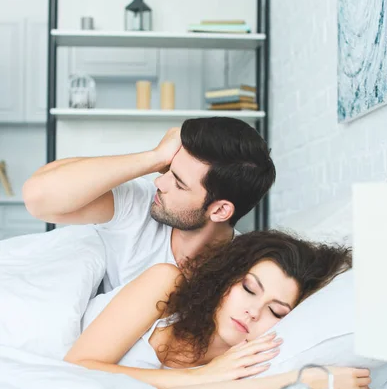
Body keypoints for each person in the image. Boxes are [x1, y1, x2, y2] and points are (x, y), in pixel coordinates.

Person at [64, 230, 372, 389]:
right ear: (227, 279)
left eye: (275, 312)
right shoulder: (166, 283)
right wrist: (205, 375)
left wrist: (307, 384)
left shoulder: (249, 363)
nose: (253, 312)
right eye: (249, 289)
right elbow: (77, 366)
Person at [23, 117, 276, 292]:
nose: (159, 182)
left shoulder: (245, 274)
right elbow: (37, 198)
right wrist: (155, 157)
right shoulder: (141, 204)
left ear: (220, 210)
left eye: (178, 182)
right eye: (168, 169)